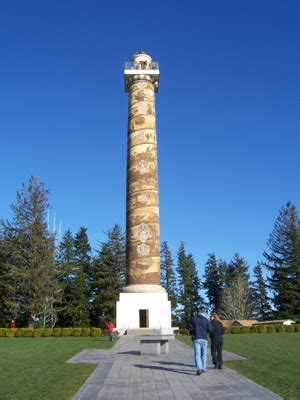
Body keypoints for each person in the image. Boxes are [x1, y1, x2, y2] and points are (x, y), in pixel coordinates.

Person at [189, 308, 212, 375]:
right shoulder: (206, 320)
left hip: (196, 338)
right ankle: (204, 368)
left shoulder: (193, 319)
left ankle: (199, 368)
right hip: (204, 338)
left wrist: (194, 332)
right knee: (204, 354)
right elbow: (210, 329)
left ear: (197, 312)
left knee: (197, 354)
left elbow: (190, 328)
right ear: (203, 313)